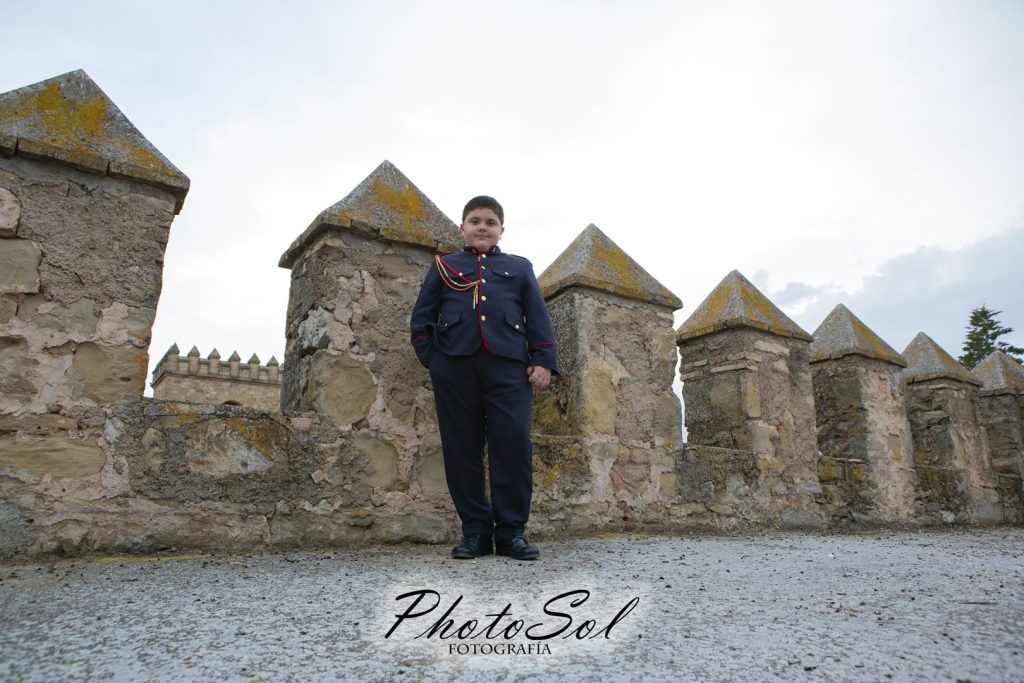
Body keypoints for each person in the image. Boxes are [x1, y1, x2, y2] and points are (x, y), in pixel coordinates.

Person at [410, 196, 559, 561]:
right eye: (474, 221)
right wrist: (435, 360)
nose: (482, 227)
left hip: (508, 368)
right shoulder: (444, 266)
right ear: (462, 227)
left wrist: (543, 360)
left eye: (490, 222)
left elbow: (537, 317)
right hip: (455, 367)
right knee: (462, 449)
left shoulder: (520, 267)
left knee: (512, 446)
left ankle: (511, 534)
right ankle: (476, 533)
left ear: (501, 230)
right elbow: (421, 320)